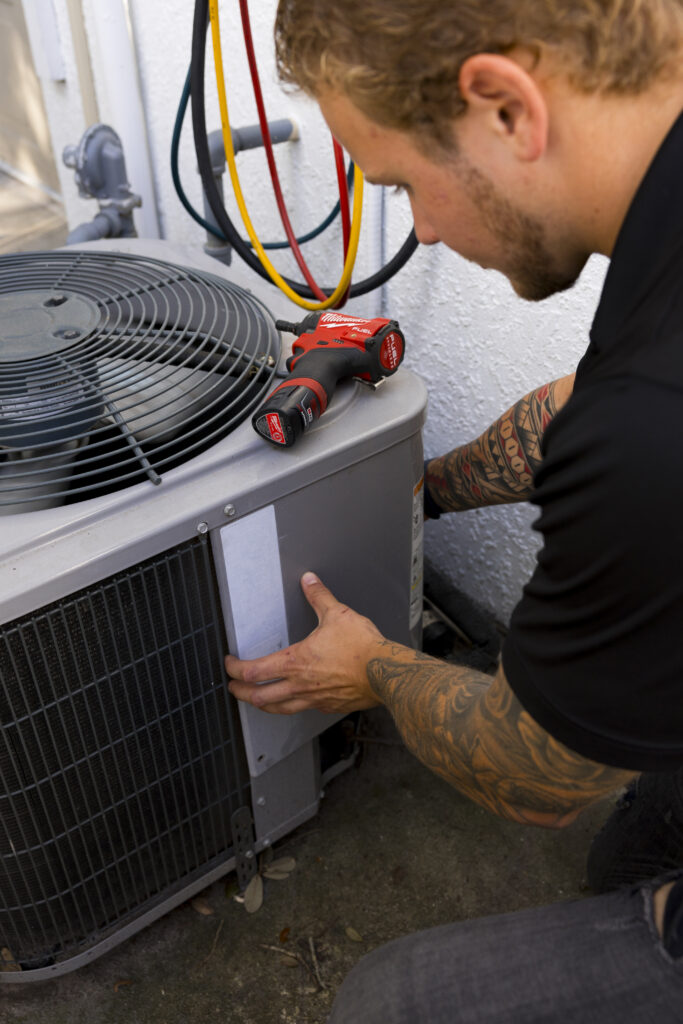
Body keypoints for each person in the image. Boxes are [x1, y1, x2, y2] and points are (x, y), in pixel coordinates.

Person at [226, 1, 683, 1019]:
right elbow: (576, 406)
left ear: (506, 110)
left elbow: (538, 775)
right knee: (631, 846)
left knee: (385, 1001)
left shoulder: (653, 422)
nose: (421, 228)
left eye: (400, 185)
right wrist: (416, 492)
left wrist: (371, 669)